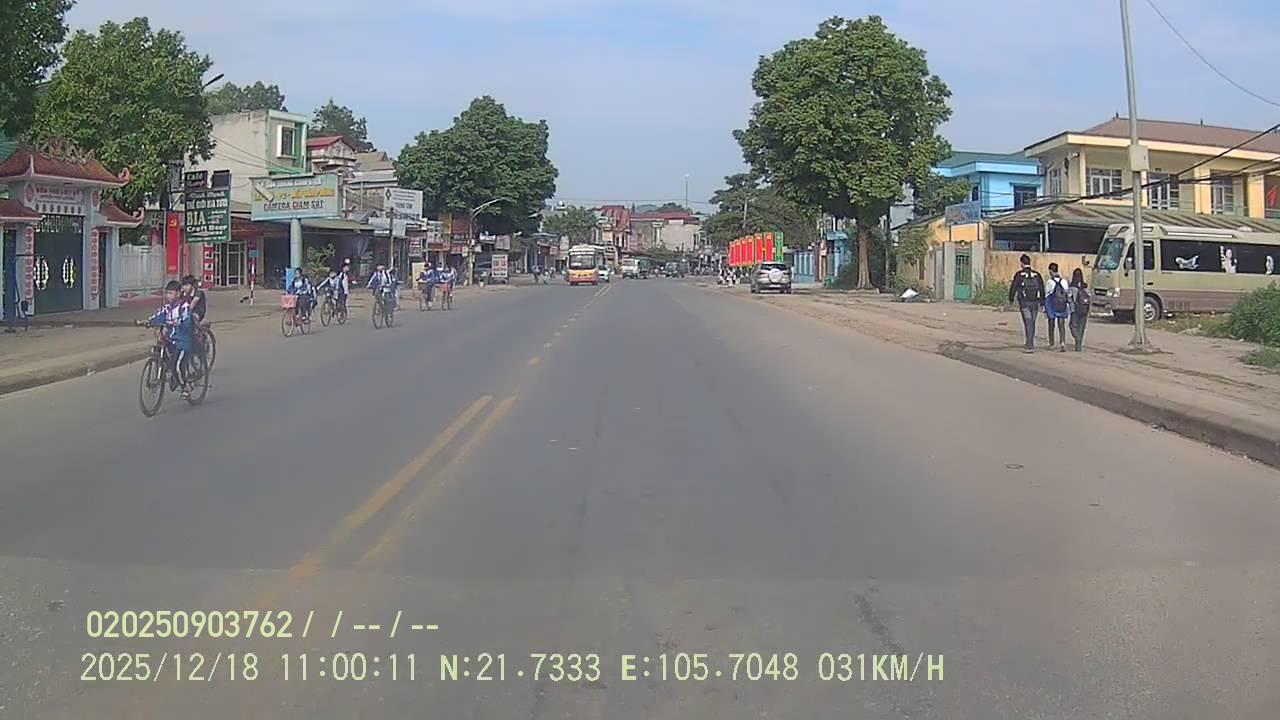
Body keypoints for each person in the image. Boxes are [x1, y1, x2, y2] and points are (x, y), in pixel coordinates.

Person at [139, 280, 196, 397]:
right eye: (167, 293)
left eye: (171, 293)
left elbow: (187, 320)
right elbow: (158, 316)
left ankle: (186, 386)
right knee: (162, 350)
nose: (168, 296)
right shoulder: (167, 308)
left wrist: (179, 322)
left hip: (182, 341)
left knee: (177, 366)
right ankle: (171, 375)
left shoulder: (184, 306)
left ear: (178, 294)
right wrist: (147, 322)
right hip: (171, 339)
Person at [1007, 254, 1046, 354]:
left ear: (1022, 263)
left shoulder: (1019, 275)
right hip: (1035, 302)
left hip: (1024, 302)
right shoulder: (1037, 274)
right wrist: (1042, 302)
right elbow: (1042, 288)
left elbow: (1013, 287)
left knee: (1028, 322)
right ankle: (1030, 342)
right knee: (1032, 322)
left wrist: (1011, 299)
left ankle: (1029, 345)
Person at [1043, 262, 1070, 352]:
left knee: (1051, 324)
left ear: (1050, 271)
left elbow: (1047, 294)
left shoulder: (1050, 282)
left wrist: (1045, 308)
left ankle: (1051, 343)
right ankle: (1062, 342)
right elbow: (1067, 293)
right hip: (1062, 305)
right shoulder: (1064, 281)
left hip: (1052, 305)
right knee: (1061, 324)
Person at [1068, 268, 1091, 352]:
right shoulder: (1085, 286)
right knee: (1081, 328)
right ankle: (1078, 346)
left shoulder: (1072, 287)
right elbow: (1089, 297)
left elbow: (1069, 298)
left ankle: (1077, 338)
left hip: (1075, 309)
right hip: (1084, 309)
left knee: (1073, 326)